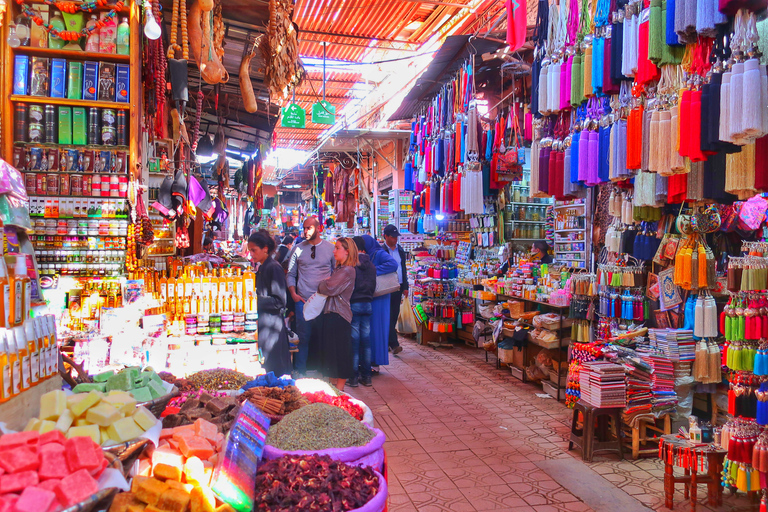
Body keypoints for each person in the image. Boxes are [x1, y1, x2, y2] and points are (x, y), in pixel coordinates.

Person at [286, 217, 336, 377]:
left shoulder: (331, 249)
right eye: (304, 228)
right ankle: (300, 372)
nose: (306, 231)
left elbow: (337, 272)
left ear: (318, 228)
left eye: (309, 228)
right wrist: (293, 294)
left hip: (325, 301)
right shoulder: (297, 249)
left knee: (325, 338)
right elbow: (291, 274)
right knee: (303, 338)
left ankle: (325, 372)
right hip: (303, 301)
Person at [309, 237, 358, 391]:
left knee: (340, 353)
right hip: (331, 314)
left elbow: (329, 288)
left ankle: (340, 389)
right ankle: (333, 388)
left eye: (337, 248)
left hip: (339, 316)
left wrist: (323, 283)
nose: (334, 251)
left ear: (347, 251)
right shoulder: (339, 270)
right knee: (330, 353)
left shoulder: (348, 271)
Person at [247, 230, 292, 377]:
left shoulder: (273, 267)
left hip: (273, 329)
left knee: (274, 371)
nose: (251, 254)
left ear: (265, 248)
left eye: (254, 250)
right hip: (265, 326)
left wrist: (254, 299)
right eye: (250, 251)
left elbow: (280, 302)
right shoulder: (263, 267)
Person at [360, 235, 398, 370]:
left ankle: (376, 361)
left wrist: (373, 271)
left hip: (380, 297)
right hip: (372, 296)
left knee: (377, 328)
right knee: (370, 329)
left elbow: (393, 264)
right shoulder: (369, 254)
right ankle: (369, 360)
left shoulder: (379, 253)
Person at [348, 237, 377, 387]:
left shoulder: (352, 265)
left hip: (354, 304)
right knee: (366, 342)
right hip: (367, 304)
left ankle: (353, 377)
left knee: (354, 342)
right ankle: (366, 376)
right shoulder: (371, 266)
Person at [382, 225, 410, 355]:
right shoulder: (381, 251)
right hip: (386, 287)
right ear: (386, 236)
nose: (395, 239)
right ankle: (394, 344)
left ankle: (388, 341)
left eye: (396, 237)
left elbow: (403, 268)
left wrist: (405, 286)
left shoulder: (400, 250)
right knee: (387, 315)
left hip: (398, 286)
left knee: (393, 315)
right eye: (392, 237)